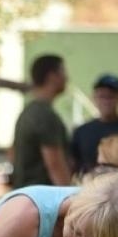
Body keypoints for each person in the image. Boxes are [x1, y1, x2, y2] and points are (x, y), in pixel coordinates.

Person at [10, 54, 71, 189]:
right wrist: (71, 197)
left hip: (25, 193)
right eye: (63, 71)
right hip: (43, 197)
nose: (67, 78)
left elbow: (11, 154)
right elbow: (55, 166)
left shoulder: (27, 112)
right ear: (52, 76)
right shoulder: (45, 116)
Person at [70, 73, 118, 176]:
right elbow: (73, 165)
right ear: (94, 98)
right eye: (102, 96)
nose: (106, 101)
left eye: (111, 96)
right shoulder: (81, 132)